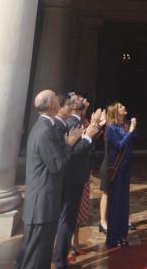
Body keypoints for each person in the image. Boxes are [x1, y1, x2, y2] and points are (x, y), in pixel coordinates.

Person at [17, 90, 82, 269]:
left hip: (43, 203)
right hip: (42, 205)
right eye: (56, 97)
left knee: (36, 254)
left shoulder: (44, 127)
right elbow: (57, 165)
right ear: (53, 105)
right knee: (35, 257)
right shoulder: (44, 131)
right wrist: (69, 144)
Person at [54, 94, 102, 268]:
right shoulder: (71, 123)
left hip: (76, 176)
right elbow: (72, 153)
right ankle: (60, 258)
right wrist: (88, 136)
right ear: (71, 106)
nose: (84, 101)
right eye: (79, 100)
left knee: (70, 218)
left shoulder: (76, 121)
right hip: (72, 177)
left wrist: (94, 129)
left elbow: (85, 143)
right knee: (66, 218)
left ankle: (64, 252)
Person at [105, 102, 137, 248]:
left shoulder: (125, 124)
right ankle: (112, 238)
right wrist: (130, 131)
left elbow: (133, 140)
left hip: (126, 167)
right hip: (116, 169)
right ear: (115, 112)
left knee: (124, 202)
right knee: (115, 203)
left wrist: (132, 130)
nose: (124, 107)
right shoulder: (111, 128)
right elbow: (119, 145)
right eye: (121, 107)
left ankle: (122, 235)